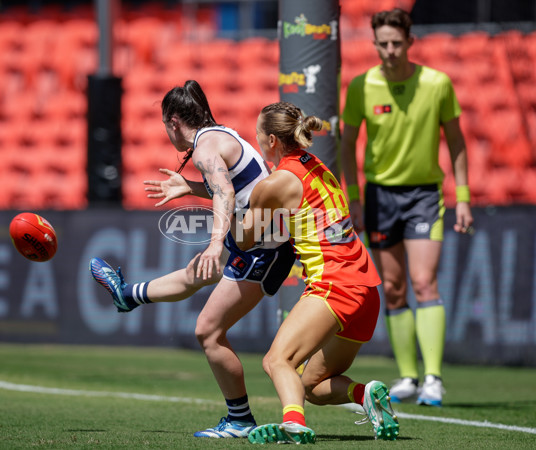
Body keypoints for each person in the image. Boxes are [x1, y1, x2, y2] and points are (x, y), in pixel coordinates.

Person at [89, 80, 296, 438]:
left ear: (173, 122)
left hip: (264, 244)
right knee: (195, 275)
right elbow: (235, 184)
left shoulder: (204, 148)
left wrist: (216, 243)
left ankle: (240, 420)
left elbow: (226, 190)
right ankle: (128, 295)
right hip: (260, 236)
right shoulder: (219, 134)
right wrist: (191, 187)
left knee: (208, 331)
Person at [234, 101, 399, 444]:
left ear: (273, 142)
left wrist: (225, 200)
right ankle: (365, 394)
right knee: (313, 385)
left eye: (258, 136)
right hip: (366, 289)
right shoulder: (316, 164)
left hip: (334, 285)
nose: (257, 142)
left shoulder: (276, 182)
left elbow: (243, 240)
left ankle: (293, 423)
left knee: (277, 360)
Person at [340, 9, 474, 407]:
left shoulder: (437, 84)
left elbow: (457, 143)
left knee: (423, 282)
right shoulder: (362, 85)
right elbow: (347, 146)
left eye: (397, 43)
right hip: (380, 196)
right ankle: (408, 377)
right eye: (382, 43)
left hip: (424, 195)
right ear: (374, 44)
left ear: (410, 42)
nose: (390, 50)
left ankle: (433, 377)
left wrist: (463, 197)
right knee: (394, 290)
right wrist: (354, 197)